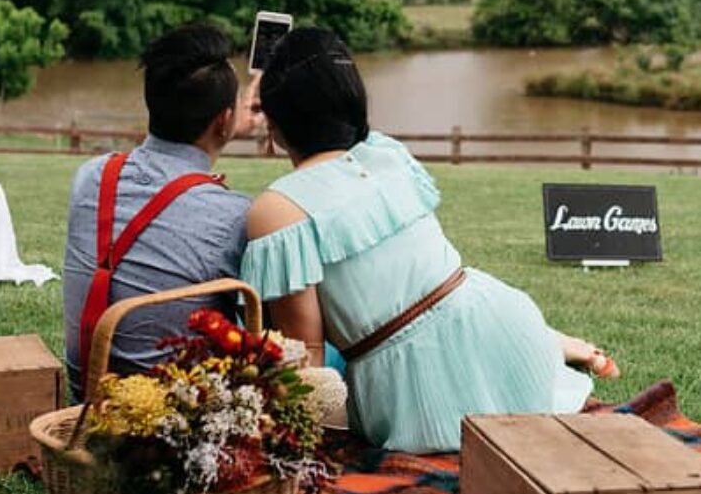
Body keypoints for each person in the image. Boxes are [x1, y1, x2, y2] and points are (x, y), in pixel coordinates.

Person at [240, 26, 618, 453]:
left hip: (417, 386)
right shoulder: (385, 154)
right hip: (506, 326)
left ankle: (557, 346)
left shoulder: (277, 209)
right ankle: (553, 346)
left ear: (273, 120)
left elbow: (304, 352)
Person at [61, 24, 252, 398]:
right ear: (224, 120)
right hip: (169, 423)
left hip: (84, 401)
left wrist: (225, 123)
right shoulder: (234, 216)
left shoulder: (91, 177)